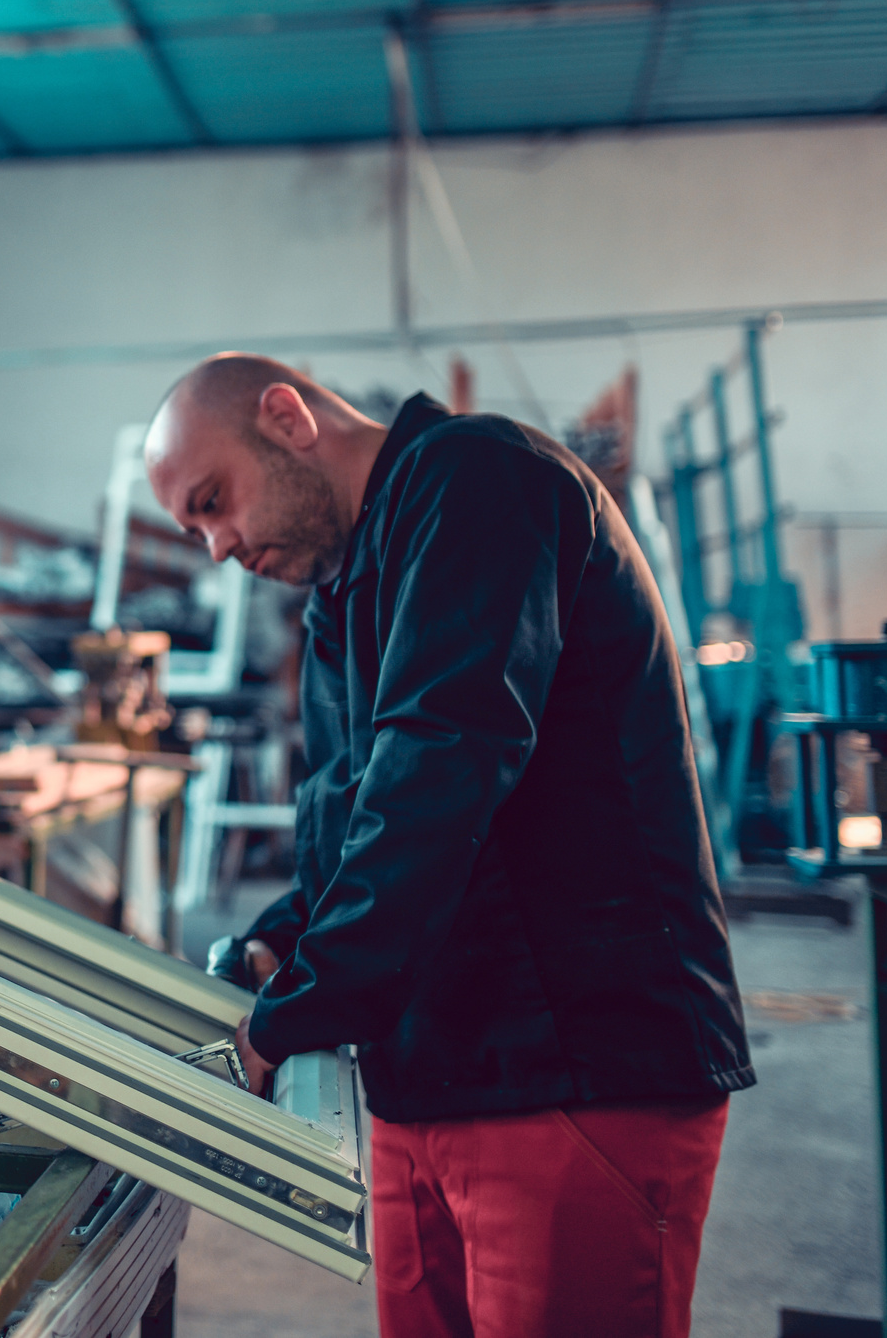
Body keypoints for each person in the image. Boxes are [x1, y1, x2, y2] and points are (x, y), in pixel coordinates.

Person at [142, 354, 752, 1338]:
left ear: (285, 417)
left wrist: (282, 1019)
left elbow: (440, 766)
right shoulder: (343, 592)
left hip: (571, 1074)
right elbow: (351, 822)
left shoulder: (479, 482)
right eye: (191, 527)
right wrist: (272, 947)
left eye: (212, 501)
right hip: (429, 1072)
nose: (214, 544)